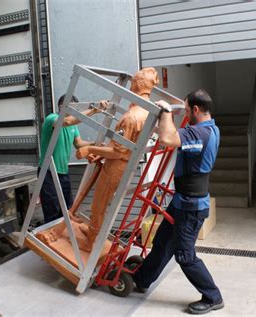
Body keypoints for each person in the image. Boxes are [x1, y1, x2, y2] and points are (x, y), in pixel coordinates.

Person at [132, 89, 224, 315]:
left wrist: (165, 111)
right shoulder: (209, 128)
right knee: (162, 241)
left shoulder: (199, 134)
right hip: (182, 201)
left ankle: (213, 297)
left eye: (185, 109)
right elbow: (174, 132)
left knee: (184, 255)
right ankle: (142, 280)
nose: (184, 112)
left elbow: (166, 138)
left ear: (195, 110)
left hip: (192, 207)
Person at [74, 67, 159, 251]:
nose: (131, 85)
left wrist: (88, 148)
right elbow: (120, 146)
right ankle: (92, 231)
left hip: (116, 166)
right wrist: (101, 151)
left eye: (133, 82)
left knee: (99, 203)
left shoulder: (131, 116)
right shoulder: (148, 112)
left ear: (138, 84)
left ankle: (90, 242)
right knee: (102, 203)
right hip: (125, 163)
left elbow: (117, 152)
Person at [38, 94, 106, 223]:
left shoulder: (73, 126)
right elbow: (67, 121)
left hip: (63, 171)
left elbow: (79, 143)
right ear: (61, 107)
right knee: (52, 208)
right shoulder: (52, 119)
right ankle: (51, 237)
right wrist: (94, 110)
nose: (76, 113)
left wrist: (95, 144)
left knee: (67, 207)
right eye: (72, 109)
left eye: (76, 110)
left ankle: (65, 234)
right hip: (48, 172)